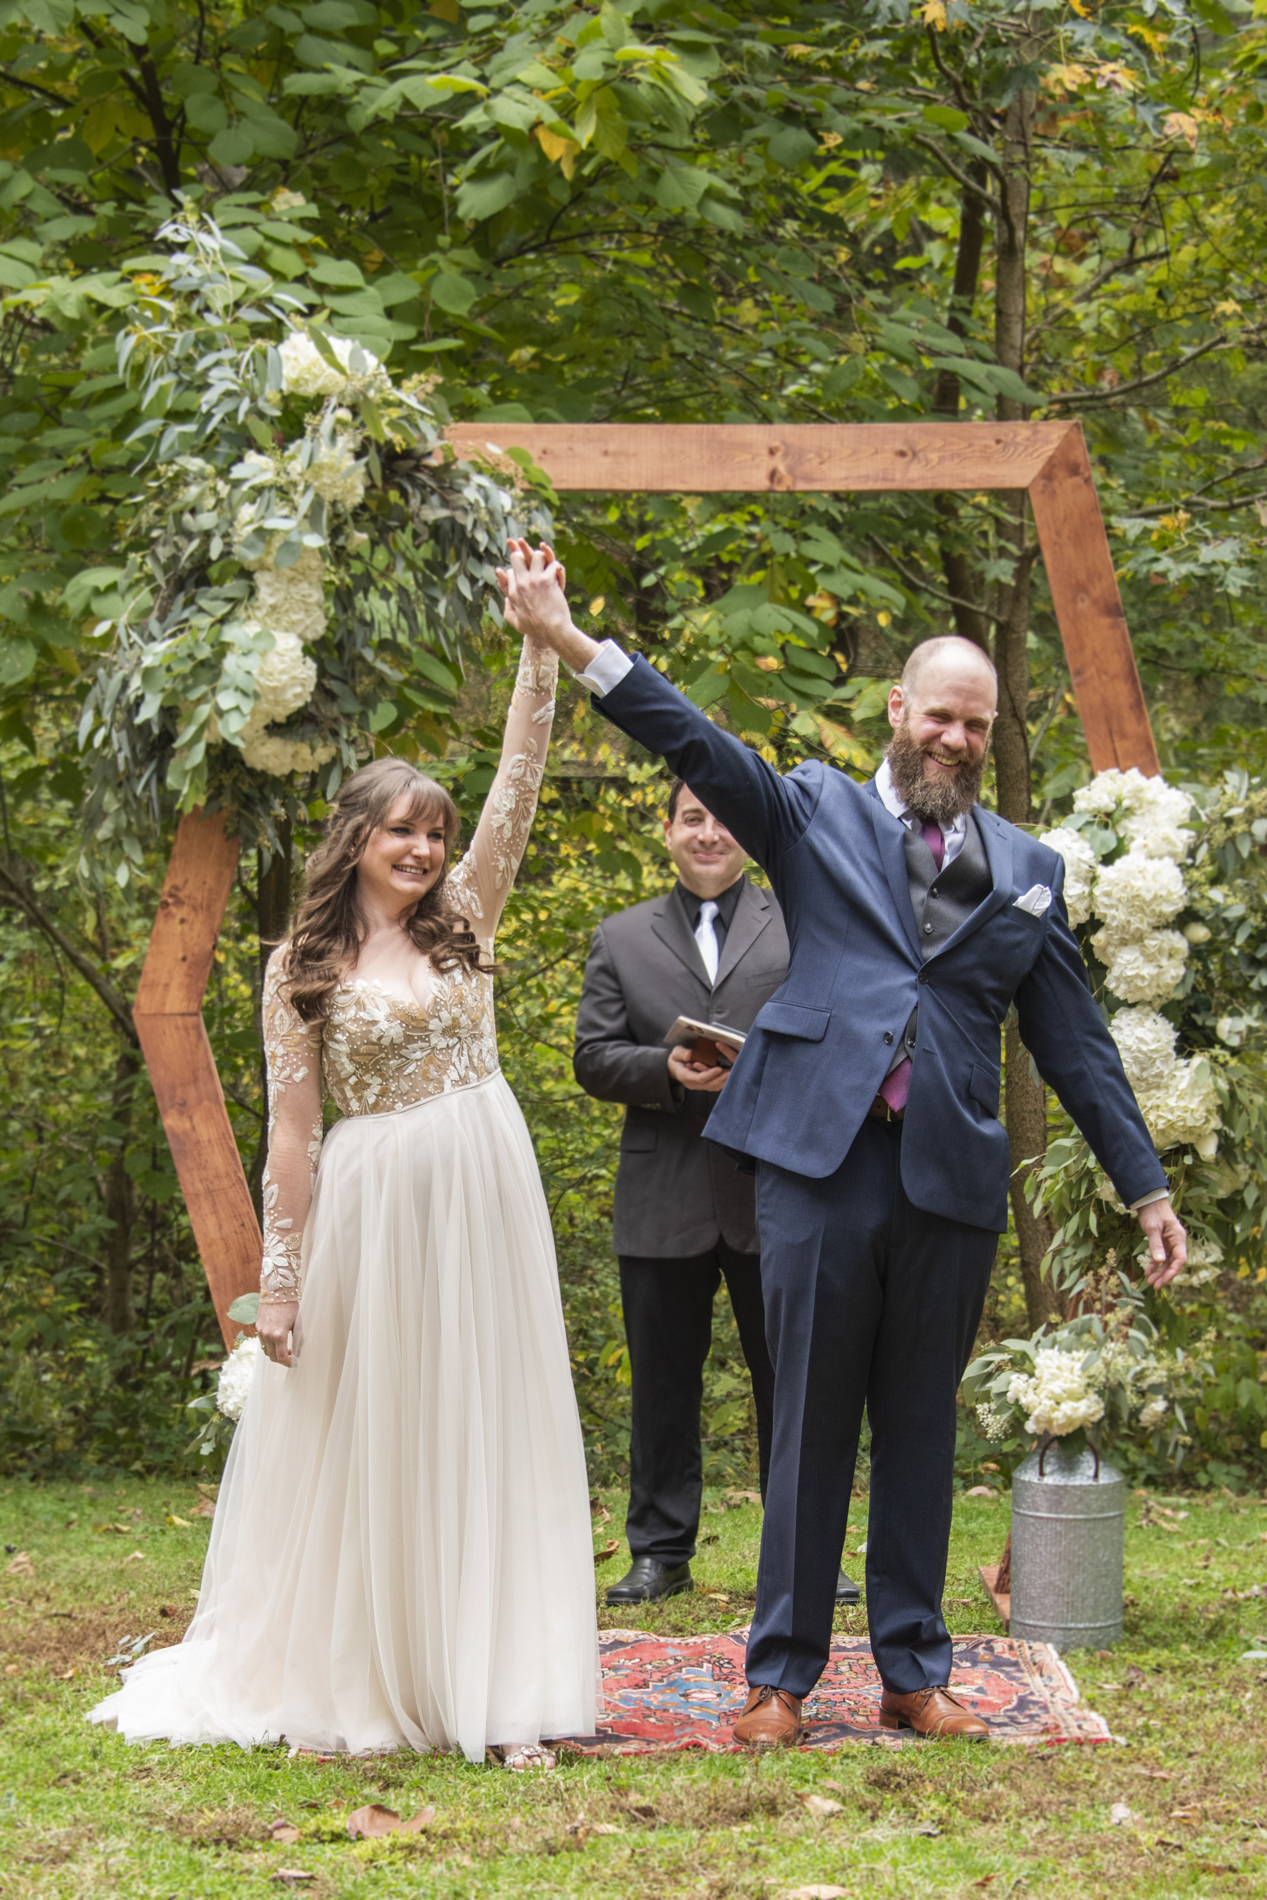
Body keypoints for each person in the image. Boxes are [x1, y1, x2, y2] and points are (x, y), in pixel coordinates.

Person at [497, 541, 1186, 1746]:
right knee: (807, 1418)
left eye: (975, 724)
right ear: (897, 711)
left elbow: (1073, 1041)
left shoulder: (1029, 870)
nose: (956, 740)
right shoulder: (811, 809)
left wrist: (1145, 1186)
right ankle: (781, 1678)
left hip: (949, 1176)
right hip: (817, 1163)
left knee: (919, 1426)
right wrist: (567, 639)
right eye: (939, 716)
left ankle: (915, 1672)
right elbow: (696, 744)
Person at [90, 585, 597, 1769]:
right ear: (355, 839)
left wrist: (539, 653)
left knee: (486, 1426)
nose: (423, 849)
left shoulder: (467, 913)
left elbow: (520, 787)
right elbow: (293, 1136)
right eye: (400, 830)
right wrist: (278, 1283)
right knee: (382, 1439)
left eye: (434, 828)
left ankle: (498, 1690)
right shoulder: (298, 965)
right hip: (371, 1209)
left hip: (484, 1188)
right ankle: (366, 1679)